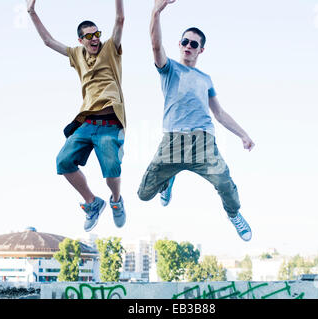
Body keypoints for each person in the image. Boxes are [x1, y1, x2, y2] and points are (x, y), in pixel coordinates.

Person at [137, 0, 255, 241]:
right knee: (143, 194)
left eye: (193, 44)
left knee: (225, 183)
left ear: (200, 50)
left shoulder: (206, 79)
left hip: (203, 143)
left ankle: (233, 215)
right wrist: (156, 11)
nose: (188, 46)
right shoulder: (168, 68)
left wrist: (243, 134)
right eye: (184, 42)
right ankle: (166, 182)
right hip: (172, 142)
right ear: (179, 45)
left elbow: (219, 113)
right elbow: (155, 44)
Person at [27, 0, 127, 232]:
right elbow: (48, 41)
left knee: (112, 170)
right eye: (89, 36)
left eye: (96, 35)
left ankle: (116, 201)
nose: (94, 39)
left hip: (110, 124)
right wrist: (32, 12)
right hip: (86, 123)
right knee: (63, 162)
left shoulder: (111, 49)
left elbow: (120, 20)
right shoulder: (76, 54)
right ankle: (93, 203)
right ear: (81, 40)